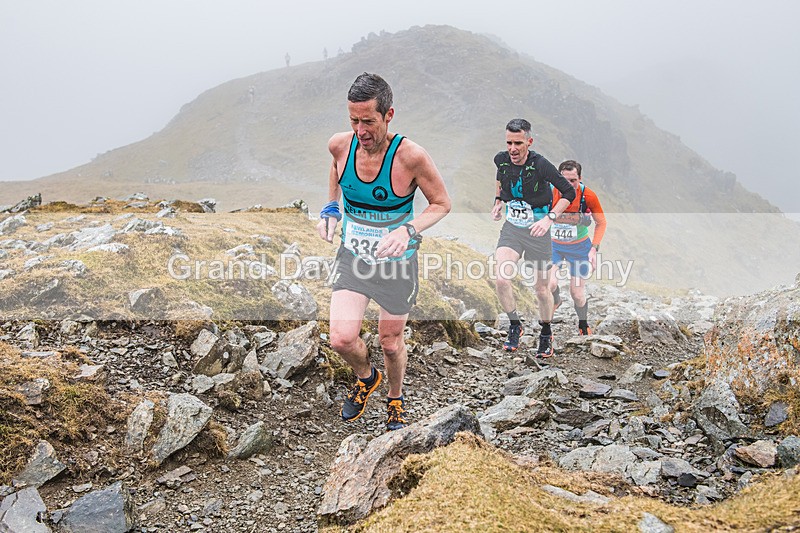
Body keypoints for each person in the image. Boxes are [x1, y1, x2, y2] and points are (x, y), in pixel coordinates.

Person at [317, 72, 451, 431]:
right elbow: (335, 169)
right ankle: (366, 377)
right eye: (354, 120)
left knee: (390, 343)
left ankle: (394, 398)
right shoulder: (340, 145)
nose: (361, 131)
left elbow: (441, 203)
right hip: (354, 257)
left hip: (396, 264)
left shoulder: (411, 157)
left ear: (389, 115)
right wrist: (331, 208)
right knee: (342, 339)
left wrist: (408, 230)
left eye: (369, 121)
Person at [491, 119, 576, 358]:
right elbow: (500, 179)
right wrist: (498, 202)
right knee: (501, 280)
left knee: (541, 289)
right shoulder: (501, 159)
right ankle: (515, 325)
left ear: (529, 141)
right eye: (509, 142)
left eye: (518, 143)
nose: (513, 149)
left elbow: (568, 192)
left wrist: (549, 218)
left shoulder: (541, 165)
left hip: (538, 233)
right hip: (513, 229)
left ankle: (546, 332)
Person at [549, 160, 607, 335]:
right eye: (564, 180)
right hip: (554, 245)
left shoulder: (588, 196)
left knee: (577, 293)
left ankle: (583, 324)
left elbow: (601, 222)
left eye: (573, 180)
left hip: (579, 248)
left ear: (580, 179)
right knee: (549, 284)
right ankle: (556, 300)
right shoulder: (550, 193)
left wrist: (593, 249)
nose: (568, 184)